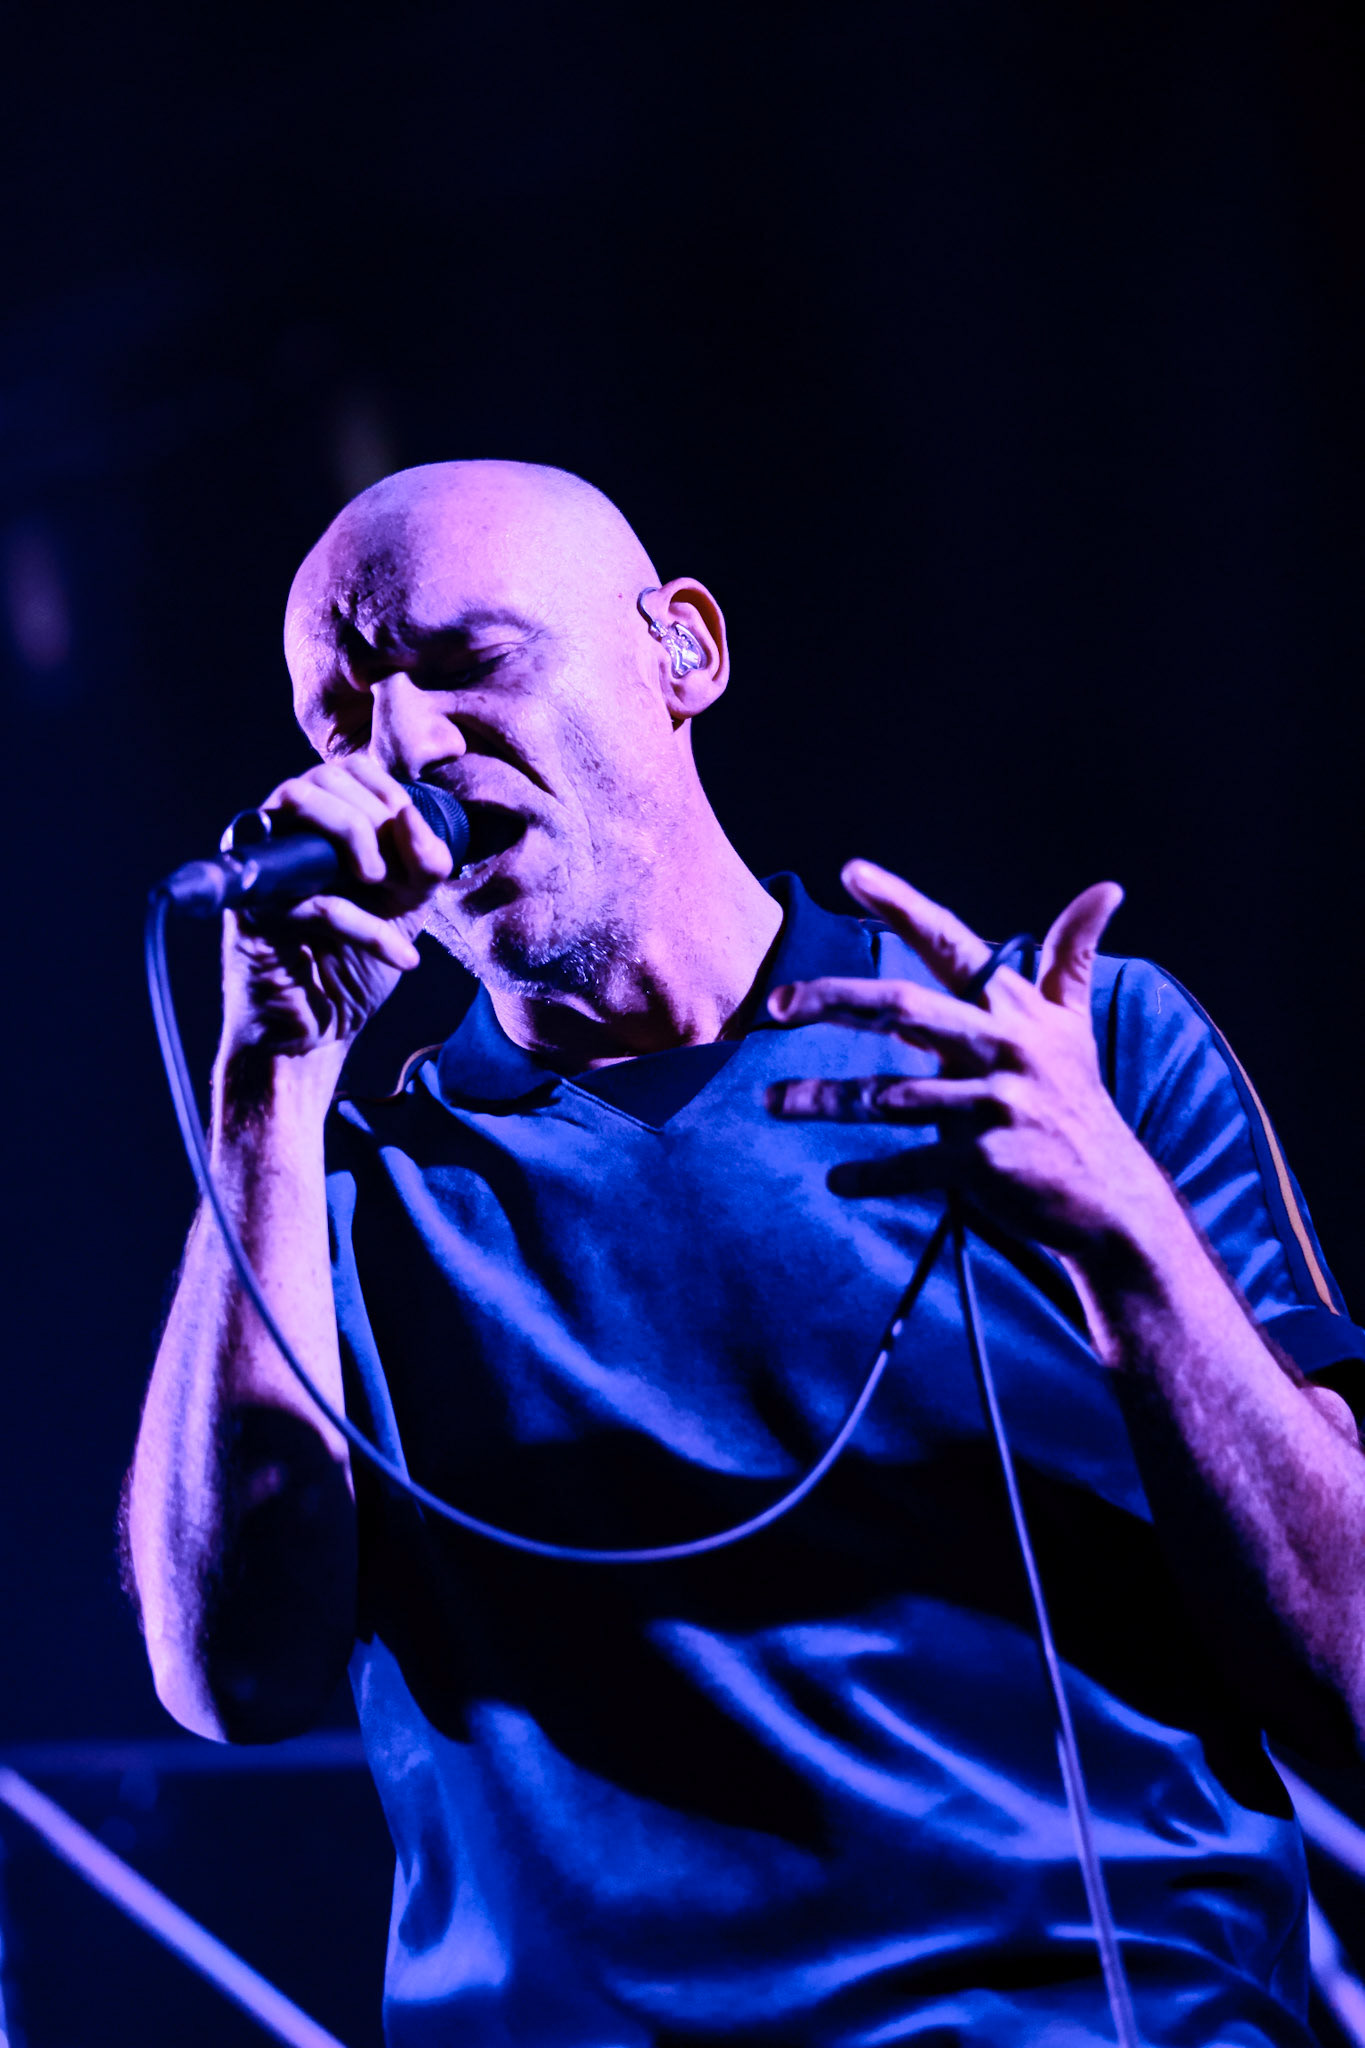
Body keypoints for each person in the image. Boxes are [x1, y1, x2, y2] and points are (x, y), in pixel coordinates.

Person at [127, 460, 1365, 2048]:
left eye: (470, 661)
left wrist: (1125, 1245)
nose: (404, 749)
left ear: (682, 653)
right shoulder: (346, 1204)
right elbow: (228, 1681)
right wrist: (267, 1090)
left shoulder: (1070, 1049)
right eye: (340, 715)